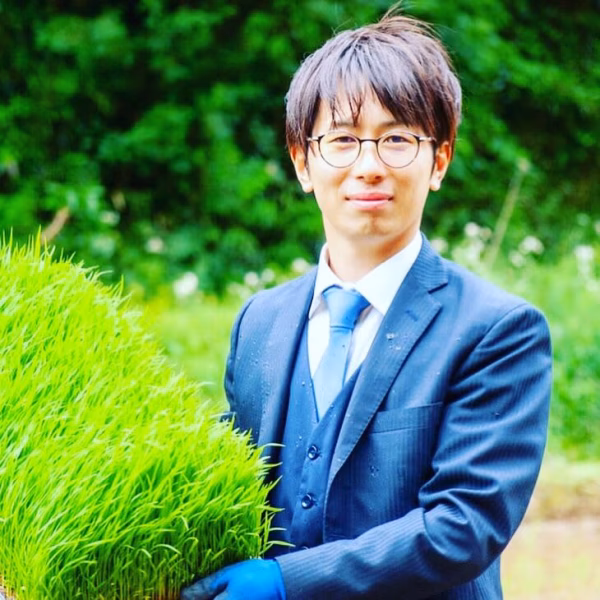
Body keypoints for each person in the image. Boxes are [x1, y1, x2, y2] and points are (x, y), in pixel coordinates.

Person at [181, 7, 552, 600]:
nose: (369, 166)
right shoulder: (260, 322)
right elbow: (220, 485)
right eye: (343, 140)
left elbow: (462, 525)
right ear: (303, 162)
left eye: (398, 139)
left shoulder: (497, 330)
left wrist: (287, 584)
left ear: (439, 160)